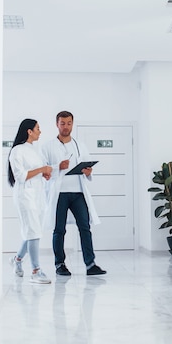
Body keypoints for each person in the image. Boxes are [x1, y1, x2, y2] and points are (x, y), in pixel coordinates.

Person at [42, 111, 106, 276]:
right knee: (59, 230)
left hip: (78, 192)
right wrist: (58, 167)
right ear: (57, 124)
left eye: (69, 123)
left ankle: (90, 264)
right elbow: (44, 172)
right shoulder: (47, 147)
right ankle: (59, 264)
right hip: (60, 194)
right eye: (62, 123)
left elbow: (87, 166)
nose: (66, 126)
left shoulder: (80, 145)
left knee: (85, 227)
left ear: (72, 123)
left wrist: (88, 171)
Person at [7, 119, 54, 284]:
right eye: (38, 128)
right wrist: (42, 169)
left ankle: (17, 260)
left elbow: (35, 171)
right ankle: (36, 271)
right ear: (29, 131)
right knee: (33, 231)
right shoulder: (17, 151)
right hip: (25, 196)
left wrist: (44, 173)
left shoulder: (35, 150)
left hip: (37, 196)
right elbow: (20, 176)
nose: (40, 131)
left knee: (32, 232)